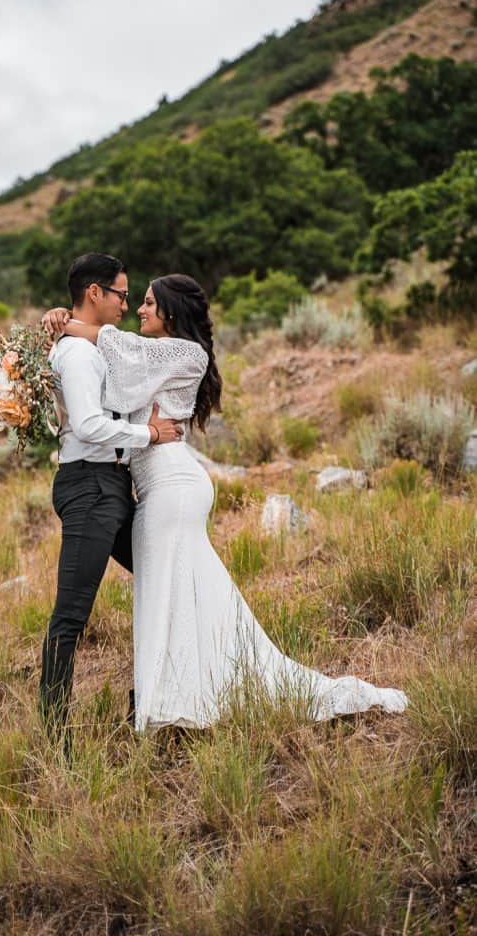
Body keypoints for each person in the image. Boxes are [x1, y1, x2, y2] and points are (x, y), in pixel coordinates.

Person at [42, 272, 408, 732]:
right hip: (158, 483)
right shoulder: (148, 354)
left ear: (171, 312)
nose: (139, 309)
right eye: (137, 300)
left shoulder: (184, 352)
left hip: (172, 483)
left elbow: (110, 345)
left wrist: (61, 323)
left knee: (162, 587)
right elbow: (109, 359)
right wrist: (62, 319)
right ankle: (182, 691)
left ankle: (169, 703)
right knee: (177, 588)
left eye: (150, 303)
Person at [40, 253, 183, 744]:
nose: (127, 302)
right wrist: (150, 434)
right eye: (122, 293)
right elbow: (89, 426)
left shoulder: (92, 346)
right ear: (95, 293)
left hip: (112, 486)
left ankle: (151, 699)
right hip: (90, 486)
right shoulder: (78, 355)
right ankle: (56, 740)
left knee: (165, 576)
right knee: (72, 615)